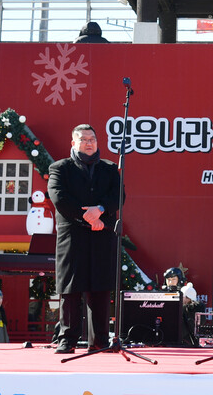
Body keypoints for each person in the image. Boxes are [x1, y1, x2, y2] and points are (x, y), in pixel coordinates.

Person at [48, 124, 121, 354]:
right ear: (73, 143)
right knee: (70, 288)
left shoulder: (109, 169)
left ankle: (99, 341)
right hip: (72, 236)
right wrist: (87, 217)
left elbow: (119, 196)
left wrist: (99, 210)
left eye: (93, 139)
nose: (89, 143)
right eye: (83, 139)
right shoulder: (60, 168)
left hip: (102, 234)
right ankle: (67, 340)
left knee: (100, 288)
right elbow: (59, 198)